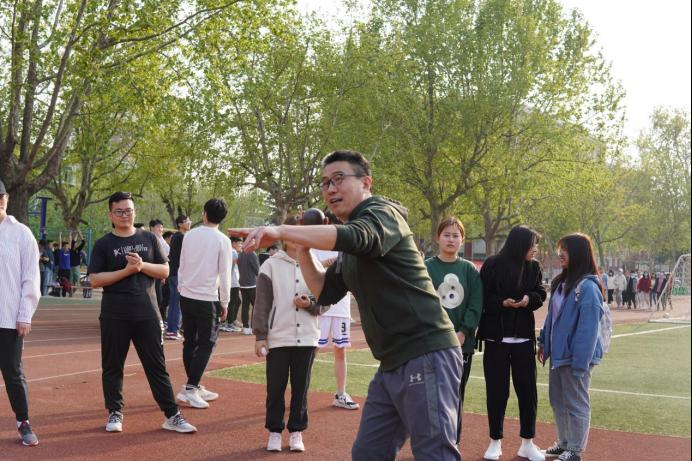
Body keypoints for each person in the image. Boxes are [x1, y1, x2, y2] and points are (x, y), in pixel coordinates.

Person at [230, 150, 462, 461]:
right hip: (391, 362)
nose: (330, 189)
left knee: (435, 454)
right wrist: (302, 248)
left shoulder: (381, 213)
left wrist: (281, 231)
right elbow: (324, 291)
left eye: (339, 179)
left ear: (366, 183)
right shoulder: (350, 247)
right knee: (368, 453)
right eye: (325, 182)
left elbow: (357, 236)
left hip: (425, 353)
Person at [88, 191, 196, 434]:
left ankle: (172, 415)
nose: (124, 215)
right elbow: (95, 280)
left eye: (128, 210)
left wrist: (141, 265)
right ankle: (115, 411)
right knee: (113, 366)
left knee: (156, 366)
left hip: (147, 312)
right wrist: (127, 271)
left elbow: (165, 271)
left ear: (134, 212)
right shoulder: (104, 244)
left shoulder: (149, 238)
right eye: (119, 211)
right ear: (110, 215)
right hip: (114, 313)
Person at [254, 215, 325, 452]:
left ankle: (296, 431)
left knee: (301, 388)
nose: (297, 238)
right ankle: (274, 431)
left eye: (301, 232)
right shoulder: (270, 265)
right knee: (275, 388)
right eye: (292, 232)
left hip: (307, 336)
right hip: (278, 336)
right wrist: (260, 335)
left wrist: (310, 303)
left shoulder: (315, 264)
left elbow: (325, 301)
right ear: (284, 237)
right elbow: (262, 303)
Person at [477, 225, 547, 461]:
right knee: (497, 391)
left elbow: (540, 293)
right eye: (533, 244)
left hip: (524, 339)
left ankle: (527, 443)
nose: (535, 249)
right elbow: (483, 298)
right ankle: (495, 441)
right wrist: (502, 303)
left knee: (528, 392)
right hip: (495, 339)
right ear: (520, 244)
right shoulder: (492, 264)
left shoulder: (534, 267)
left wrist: (529, 299)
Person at [538, 233, 606, 461]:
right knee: (558, 401)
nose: (560, 254)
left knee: (576, 403)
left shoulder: (588, 287)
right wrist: (543, 342)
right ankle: (564, 443)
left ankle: (575, 450)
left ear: (577, 253)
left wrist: (580, 362)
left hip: (575, 357)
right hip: (558, 355)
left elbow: (588, 329)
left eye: (565, 250)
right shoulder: (561, 283)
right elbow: (552, 318)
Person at [425, 216, 483, 444]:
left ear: (462, 240)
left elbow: (475, 304)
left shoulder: (469, 270)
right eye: (446, 235)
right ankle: (430, 443)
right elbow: (421, 303)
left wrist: (463, 332)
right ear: (437, 238)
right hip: (431, 343)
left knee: (456, 394)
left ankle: (452, 443)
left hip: (461, 344)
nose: (451, 239)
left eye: (455, 235)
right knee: (429, 395)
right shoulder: (426, 267)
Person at [175, 198, 232, 409]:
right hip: (207, 297)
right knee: (207, 343)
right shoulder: (223, 240)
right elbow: (225, 274)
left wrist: (181, 287)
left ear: (204, 213)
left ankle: (194, 385)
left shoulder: (189, 235)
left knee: (190, 341)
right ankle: (191, 388)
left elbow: (182, 264)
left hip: (187, 294)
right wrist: (225, 301)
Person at [302, 208, 360, 411]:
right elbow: (308, 271)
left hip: (341, 307)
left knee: (340, 350)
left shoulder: (346, 246)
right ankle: (301, 393)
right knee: (313, 351)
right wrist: (324, 263)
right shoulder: (315, 245)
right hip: (321, 307)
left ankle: (341, 394)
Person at [0, 179, 41, 446]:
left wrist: (25, 313)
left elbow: (31, 277)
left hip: (7, 318)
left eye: (1, 197)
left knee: (12, 372)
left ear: (7, 198)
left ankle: (23, 422)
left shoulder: (21, 233)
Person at [166, 215, 191, 340]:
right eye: (187, 221)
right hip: (177, 274)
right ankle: (173, 330)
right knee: (177, 303)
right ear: (180, 224)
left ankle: (172, 329)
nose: (189, 222)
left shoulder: (176, 236)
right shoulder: (181, 237)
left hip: (173, 273)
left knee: (174, 302)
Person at [220, 237, 243, 332]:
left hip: (232, 281)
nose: (241, 245)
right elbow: (230, 267)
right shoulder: (233, 252)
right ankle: (228, 323)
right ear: (233, 243)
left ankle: (230, 321)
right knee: (233, 302)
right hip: (232, 282)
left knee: (236, 301)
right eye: (239, 243)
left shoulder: (231, 252)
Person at [238, 239, 260, 335]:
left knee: (245, 306)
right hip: (252, 284)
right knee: (256, 306)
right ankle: (253, 327)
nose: (254, 243)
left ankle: (246, 328)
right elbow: (257, 270)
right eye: (253, 241)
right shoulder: (252, 253)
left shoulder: (241, 254)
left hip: (242, 284)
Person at [150, 219, 170, 322]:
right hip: (151, 271)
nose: (160, 229)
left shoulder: (161, 240)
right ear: (151, 228)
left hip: (160, 272)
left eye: (161, 227)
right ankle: (155, 318)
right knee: (154, 296)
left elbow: (165, 256)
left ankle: (159, 318)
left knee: (160, 297)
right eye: (158, 227)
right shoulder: (149, 238)